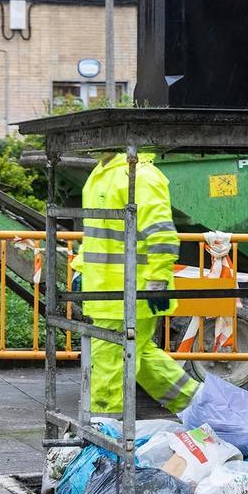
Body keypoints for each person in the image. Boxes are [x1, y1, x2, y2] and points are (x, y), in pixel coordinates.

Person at [76, 152, 201, 418]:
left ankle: (105, 429)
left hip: (131, 291)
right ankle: (198, 405)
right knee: (139, 357)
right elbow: (95, 233)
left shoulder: (140, 176)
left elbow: (161, 233)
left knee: (108, 363)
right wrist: (80, 270)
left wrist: (157, 280)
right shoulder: (100, 174)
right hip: (107, 292)